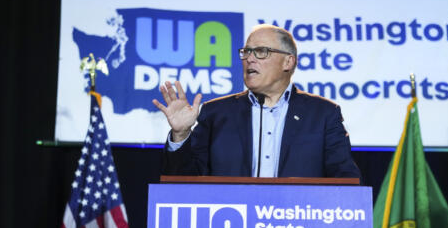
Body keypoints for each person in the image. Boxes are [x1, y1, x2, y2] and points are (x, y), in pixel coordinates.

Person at [153, 24, 360, 179]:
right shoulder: (216, 114)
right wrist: (180, 134)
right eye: (247, 52)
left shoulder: (323, 114)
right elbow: (185, 182)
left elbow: (346, 181)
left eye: (262, 52)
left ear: (288, 61)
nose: (249, 59)